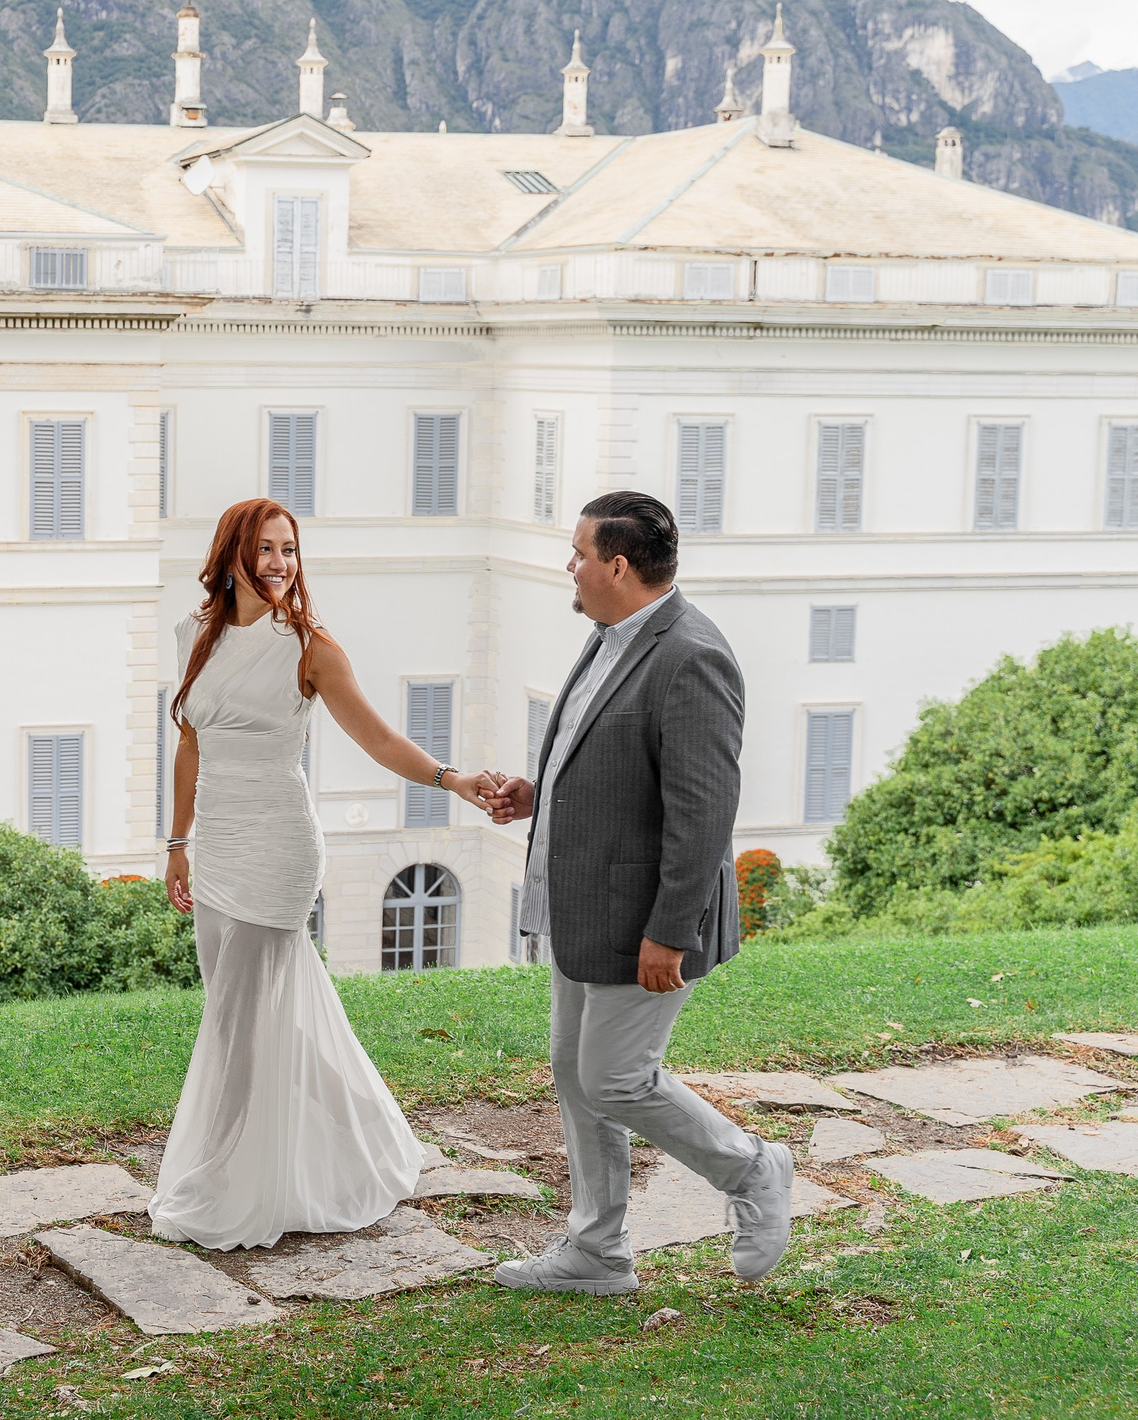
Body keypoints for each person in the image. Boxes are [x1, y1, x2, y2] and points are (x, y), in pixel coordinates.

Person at [152, 497, 499, 1250]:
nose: (281, 563)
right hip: (215, 843)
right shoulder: (193, 635)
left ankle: (215, 1179)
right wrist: (177, 840)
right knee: (242, 1008)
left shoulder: (309, 646)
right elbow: (188, 743)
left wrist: (453, 779)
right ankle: (365, 1131)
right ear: (233, 554)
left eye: (290, 550)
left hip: (278, 845)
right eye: (267, 549)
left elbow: (375, 736)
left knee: (235, 1023)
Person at [487, 489, 793, 1293]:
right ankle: (596, 1249)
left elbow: (703, 810)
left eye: (580, 553)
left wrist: (671, 930)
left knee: (616, 1077)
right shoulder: (608, 635)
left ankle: (753, 1169)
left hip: (645, 919)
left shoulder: (692, 653)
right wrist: (538, 793)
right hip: (585, 906)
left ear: (617, 565)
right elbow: (610, 758)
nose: (571, 566)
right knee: (572, 1068)